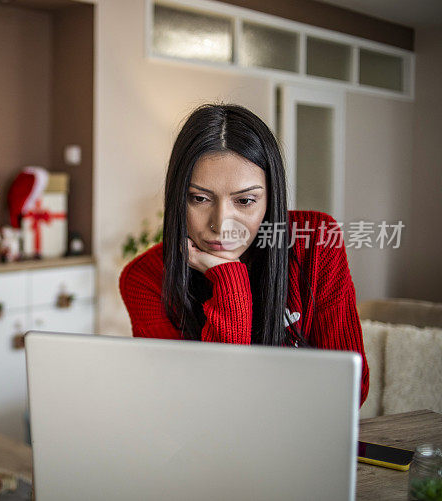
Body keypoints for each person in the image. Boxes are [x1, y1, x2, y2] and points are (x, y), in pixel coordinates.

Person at [119, 103, 369, 406]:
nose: (221, 225)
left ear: (270, 198)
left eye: (245, 200)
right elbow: (197, 406)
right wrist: (228, 278)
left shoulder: (315, 240)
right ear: (177, 197)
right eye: (199, 198)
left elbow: (349, 390)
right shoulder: (145, 278)